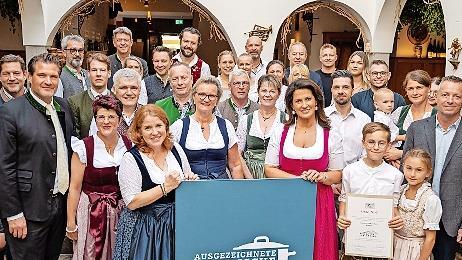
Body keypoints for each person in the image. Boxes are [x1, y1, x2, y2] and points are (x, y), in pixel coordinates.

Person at [0, 53, 74, 260]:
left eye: (53, 76)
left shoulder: (64, 106)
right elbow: (3, 168)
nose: (48, 81)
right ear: (28, 76)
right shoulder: (10, 112)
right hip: (27, 211)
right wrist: (13, 214)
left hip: (59, 206)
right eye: (42, 75)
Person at [264, 79, 341, 260]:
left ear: (316, 103)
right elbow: (269, 169)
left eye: (308, 99)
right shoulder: (281, 131)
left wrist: (321, 176)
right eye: (298, 101)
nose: (304, 105)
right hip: (285, 199)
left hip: (319, 200)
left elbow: (338, 173)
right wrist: (299, 180)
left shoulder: (330, 133)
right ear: (291, 105)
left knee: (318, 249)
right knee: (286, 246)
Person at [114, 105, 198, 259]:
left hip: (178, 224)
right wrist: (165, 187)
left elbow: (186, 177)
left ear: (166, 126)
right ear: (139, 132)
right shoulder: (131, 158)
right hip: (146, 228)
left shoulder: (176, 150)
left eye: (159, 125)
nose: (155, 132)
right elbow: (132, 202)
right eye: (148, 128)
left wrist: (190, 181)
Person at [403, 76, 462, 260]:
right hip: (415, 217)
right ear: (436, 96)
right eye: (445, 94)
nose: (450, 100)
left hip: (451, 219)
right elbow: (403, 172)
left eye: (457, 96)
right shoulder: (417, 129)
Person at [66, 95, 132, 260]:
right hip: (90, 211)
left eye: (111, 117)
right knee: (89, 253)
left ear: (119, 119)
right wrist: (71, 223)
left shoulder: (129, 145)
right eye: (101, 117)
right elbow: (74, 188)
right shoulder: (83, 147)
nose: (106, 121)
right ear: (95, 119)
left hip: (121, 212)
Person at [337, 122, 405, 259]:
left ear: (388, 145)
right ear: (363, 143)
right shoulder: (350, 171)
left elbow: (394, 206)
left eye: (381, 143)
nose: (376, 147)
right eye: (371, 142)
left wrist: (398, 220)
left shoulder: (396, 175)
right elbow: (344, 199)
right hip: (354, 240)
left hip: (382, 242)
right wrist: (342, 217)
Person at [171, 76, 245, 179]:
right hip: (191, 188)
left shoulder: (226, 126)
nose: (206, 99)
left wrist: (238, 193)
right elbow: (169, 161)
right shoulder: (179, 127)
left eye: (211, 96)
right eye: (202, 94)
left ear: (217, 100)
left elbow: (235, 165)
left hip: (222, 188)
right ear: (193, 96)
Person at [393, 149, 442, 260]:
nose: (412, 174)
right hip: (395, 246)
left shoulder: (430, 199)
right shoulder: (399, 191)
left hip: (416, 250)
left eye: (419, 170)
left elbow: (431, 238)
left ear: (428, 172)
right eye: (409, 168)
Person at [236, 74, 285, 179]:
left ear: (278, 94)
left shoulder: (286, 120)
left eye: (272, 91)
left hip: (277, 177)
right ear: (258, 92)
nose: (267, 95)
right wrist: (249, 178)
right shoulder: (246, 120)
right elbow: (238, 153)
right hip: (250, 177)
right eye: (264, 91)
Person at [385, 70, 436, 165]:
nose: (415, 92)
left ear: (429, 88)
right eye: (410, 88)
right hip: (396, 169)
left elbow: (438, 148)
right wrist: (390, 157)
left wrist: (402, 153)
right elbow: (384, 136)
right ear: (406, 90)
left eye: (419, 88)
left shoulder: (436, 116)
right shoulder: (399, 112)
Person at [324, 70, 370, 171]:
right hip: (326, 177)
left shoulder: (364, 119)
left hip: (355, 177)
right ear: (331, 89)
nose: (340, 91)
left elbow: (366, 152)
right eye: (336, 87)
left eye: (345, 87)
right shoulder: (321, 116)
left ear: (352, 90)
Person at [69, 53, 113, 138]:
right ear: (88, 73)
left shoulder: (118, 101)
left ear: (109, 73)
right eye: (94, 70)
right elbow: (75, 138)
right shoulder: (75, 102)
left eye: (102, 70)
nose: (98, 74)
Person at [88, 68, 142, 136]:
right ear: (114, 89)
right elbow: (94, 142)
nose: (129, 93)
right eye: (123, 88)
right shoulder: (102, 114)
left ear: (139, 90)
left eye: (133, 88)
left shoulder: (146, 113)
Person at [57, 35, 89, 99]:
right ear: (64, 52)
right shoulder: (59, 76)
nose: (77, 54)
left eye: (80, 50)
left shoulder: (88, 74)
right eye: (73, 50)